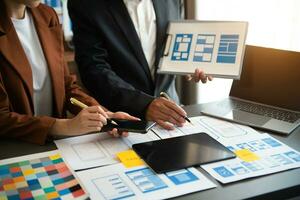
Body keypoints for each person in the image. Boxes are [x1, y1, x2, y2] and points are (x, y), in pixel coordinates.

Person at [0, 0, 138, 145]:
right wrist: (64, 126)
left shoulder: (47, 15)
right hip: (13, 150)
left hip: (54, 145)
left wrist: (103, 115)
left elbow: (66, 87)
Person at [68, 0, 212, 130]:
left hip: (173, 114)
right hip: (122, 122)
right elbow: (94, 69)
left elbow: (174, 43)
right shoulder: (85, 4)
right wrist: (144, 104)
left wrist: (190, 62)